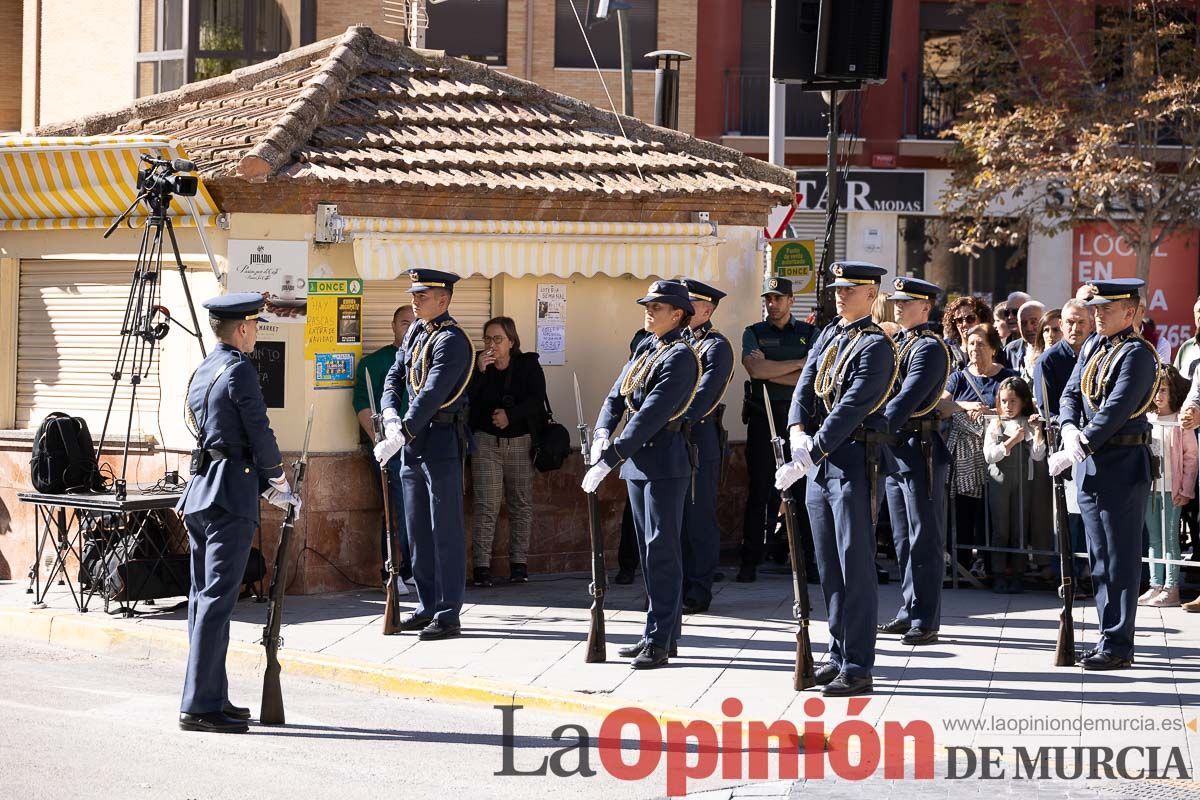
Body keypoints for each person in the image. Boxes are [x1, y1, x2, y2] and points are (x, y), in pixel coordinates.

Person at [776, 261, 899, 697]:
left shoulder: (876, 346)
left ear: (871, 294)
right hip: (818, 462)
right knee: (827, 562)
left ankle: (860, 664)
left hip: (851, 462)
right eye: (837, 288)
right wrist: (795, 430)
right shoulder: (829, 334)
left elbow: (852, 406)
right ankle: (838, 650)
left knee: (855, 564)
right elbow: (806, 385)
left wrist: (811, 447)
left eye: (850, 289)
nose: (840, 295)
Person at [177, 292, 298, 734]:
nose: (256, 332)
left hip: (202, 492)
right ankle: (199, 706)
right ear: (244, 329)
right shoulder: (241, 369)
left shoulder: (204, 369)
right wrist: (278, 481)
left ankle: (212, 693)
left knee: (202, 600)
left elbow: (206, 428)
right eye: (255, 326)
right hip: (230, 495)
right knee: (215, 601)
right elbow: (258, 428)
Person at [583, 280, 701, 669]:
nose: (649, 311)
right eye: (648, 305)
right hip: (638, 463)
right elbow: (617, 395)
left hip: (665, 461)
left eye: (658, 306)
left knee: (661, 551)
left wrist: (610, 456)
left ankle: (660, 637)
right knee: (650, 552)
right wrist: (603, 431)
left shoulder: (681, 356)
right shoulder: (647, 347)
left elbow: (652, 414)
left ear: (678, 314)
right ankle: (661, 633)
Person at [1052, 278, 1159, 670]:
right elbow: (1069, 393)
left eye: (1106, 309)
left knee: (1119, 559)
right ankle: (1105, 637)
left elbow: (1116, 409)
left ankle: (1118, 644)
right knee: (1098, 558)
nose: (1096, 315)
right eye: (1095, 308)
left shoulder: (1138, 354)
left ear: (1129, 313)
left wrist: (1079, 444)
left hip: (1121, 464)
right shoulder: (1096, 346)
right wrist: (1067, 429)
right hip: (1089, 462)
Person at [375, 269, 474, 641]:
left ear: (443, 300)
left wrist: (402, 431)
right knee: (416, 528)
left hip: (442, 440)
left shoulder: (452, 340)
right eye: (414, 294)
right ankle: (427, 604)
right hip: (413, 441)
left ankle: (449, 612)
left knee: (443, 529)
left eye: (422, 295)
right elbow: (395, 375)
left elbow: (432, 394)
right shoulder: (416, 331)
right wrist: (388, 412)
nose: (414, 300)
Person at [877, 278, 951, 646]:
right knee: (903, 538)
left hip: (919, 446)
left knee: (924, 538)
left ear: (926, 307)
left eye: (907, 302)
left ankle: (926, 618)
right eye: (897, 302)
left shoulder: (928, 348)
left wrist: (873, 428)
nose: (899, 307)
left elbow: (906, 397)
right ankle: (909, 609)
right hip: (896, 447)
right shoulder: (898, 344)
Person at [738, 276, 817, 583]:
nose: (772, 304)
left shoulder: (809, 332)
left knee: (802, 490)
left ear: (791, 301)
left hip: (798, 419)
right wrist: (798, 363)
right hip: (763, 417)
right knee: (759, 490)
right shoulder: (754, 332)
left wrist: (773, 371)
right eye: (768, 299)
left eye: (778, 299)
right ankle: (750, 561)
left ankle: (807, 561)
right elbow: (756, 371)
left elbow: (809, 380)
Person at [467, 316, 547, 587]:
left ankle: (519, 565)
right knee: (486, 505)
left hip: (520, 443)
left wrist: (510, 416)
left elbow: (537, 401)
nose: (492, 345)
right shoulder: (476, 365)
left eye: (498, 339)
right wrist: (477, 373)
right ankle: (481, 568)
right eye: (487, 339)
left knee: (520, 505)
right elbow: (466, 403)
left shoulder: (527, 365)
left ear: (511, 342)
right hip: (486, 443)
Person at [938, 323, 1016, 578]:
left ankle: (989, 564)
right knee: (962, 510)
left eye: (981, 343)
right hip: (963, 459)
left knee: (992, 512)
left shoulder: (1007, 377)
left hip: (997, 458)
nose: (975, 348)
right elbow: (942, 407)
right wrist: (967, 405)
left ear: (993, 347)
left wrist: (988, 413)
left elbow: (1017, 409)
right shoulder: (958, 376)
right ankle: (959, 564)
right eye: (971, 343)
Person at [678, 279, 734, 614]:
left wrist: (671, 418)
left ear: (708, 309)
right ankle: (676, 586)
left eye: (692, 303)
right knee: (675, 518)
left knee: (698, 517)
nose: (685, 308)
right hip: (672, 437)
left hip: (698, 437)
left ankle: (698, 591)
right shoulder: (675, 342)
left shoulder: (716, 347)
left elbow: (704, 397)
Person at [1033, 298, 1095, 596]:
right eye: (1070, 322)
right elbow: (1048, 410)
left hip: (1097, 443)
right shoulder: (1049, 361)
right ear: (1061, 324)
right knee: (1071, 515)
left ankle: (1092, 572)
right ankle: (1072, 574)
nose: (1075, 328)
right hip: (1066, 445)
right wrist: (1072, 427)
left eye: (1081, 322)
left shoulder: (1098, 351)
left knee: (1092, 513)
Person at [352, 305, 414, 592]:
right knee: (395, 510)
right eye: (404, 322)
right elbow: (363, 405)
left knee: (419, 511)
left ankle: (414, 570)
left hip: (423, 446)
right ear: (392, 325)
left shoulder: (427, 361)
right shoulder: (374, 363)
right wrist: (381, 443)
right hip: (391, 448)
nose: (409, 327)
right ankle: (392, 571)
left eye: (414, 323)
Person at [983, 377, 1046, 594]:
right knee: (1000, 529)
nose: (1008, 406)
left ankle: (1018, 572)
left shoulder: (1028, 423)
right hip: (999, 481)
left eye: (1013, 401)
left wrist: (1038, 432)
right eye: (1004, 401)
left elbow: (1038, 456)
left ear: (1023, 402)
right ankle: (998, 573)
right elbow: (990, 455)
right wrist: (1011, 442)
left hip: (1023, 483)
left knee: (1020, 528)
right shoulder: (996, 423)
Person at [1141, 366, 1195, 608]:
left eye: (1164, 390)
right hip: (1150, 490)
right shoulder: (1147, 419)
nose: (1159, 396)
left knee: (1170, 538)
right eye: (1156, 390)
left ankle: (1172, 587)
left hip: (1172, 490)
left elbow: (1191, 457)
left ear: (1173, 392)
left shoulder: (1181, 421)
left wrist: (1186, 489)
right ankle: (1156, 585)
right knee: (1154, 539)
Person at [615, 328, 653, 585]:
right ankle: (627, 565)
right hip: (636, 440)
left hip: (665, 441)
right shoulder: (640, 344)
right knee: (634, 511)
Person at [942, 296, 993, 370]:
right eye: (959, 320)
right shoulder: (946, 351)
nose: (964, 324)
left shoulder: (994, 350)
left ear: (982, 319)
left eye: (970, 318)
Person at [1004, 300, 1046, 381]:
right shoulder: (1010, 351)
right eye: (1023, 323)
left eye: (1033, 322)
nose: (1028, 328)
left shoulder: (1054, 350)